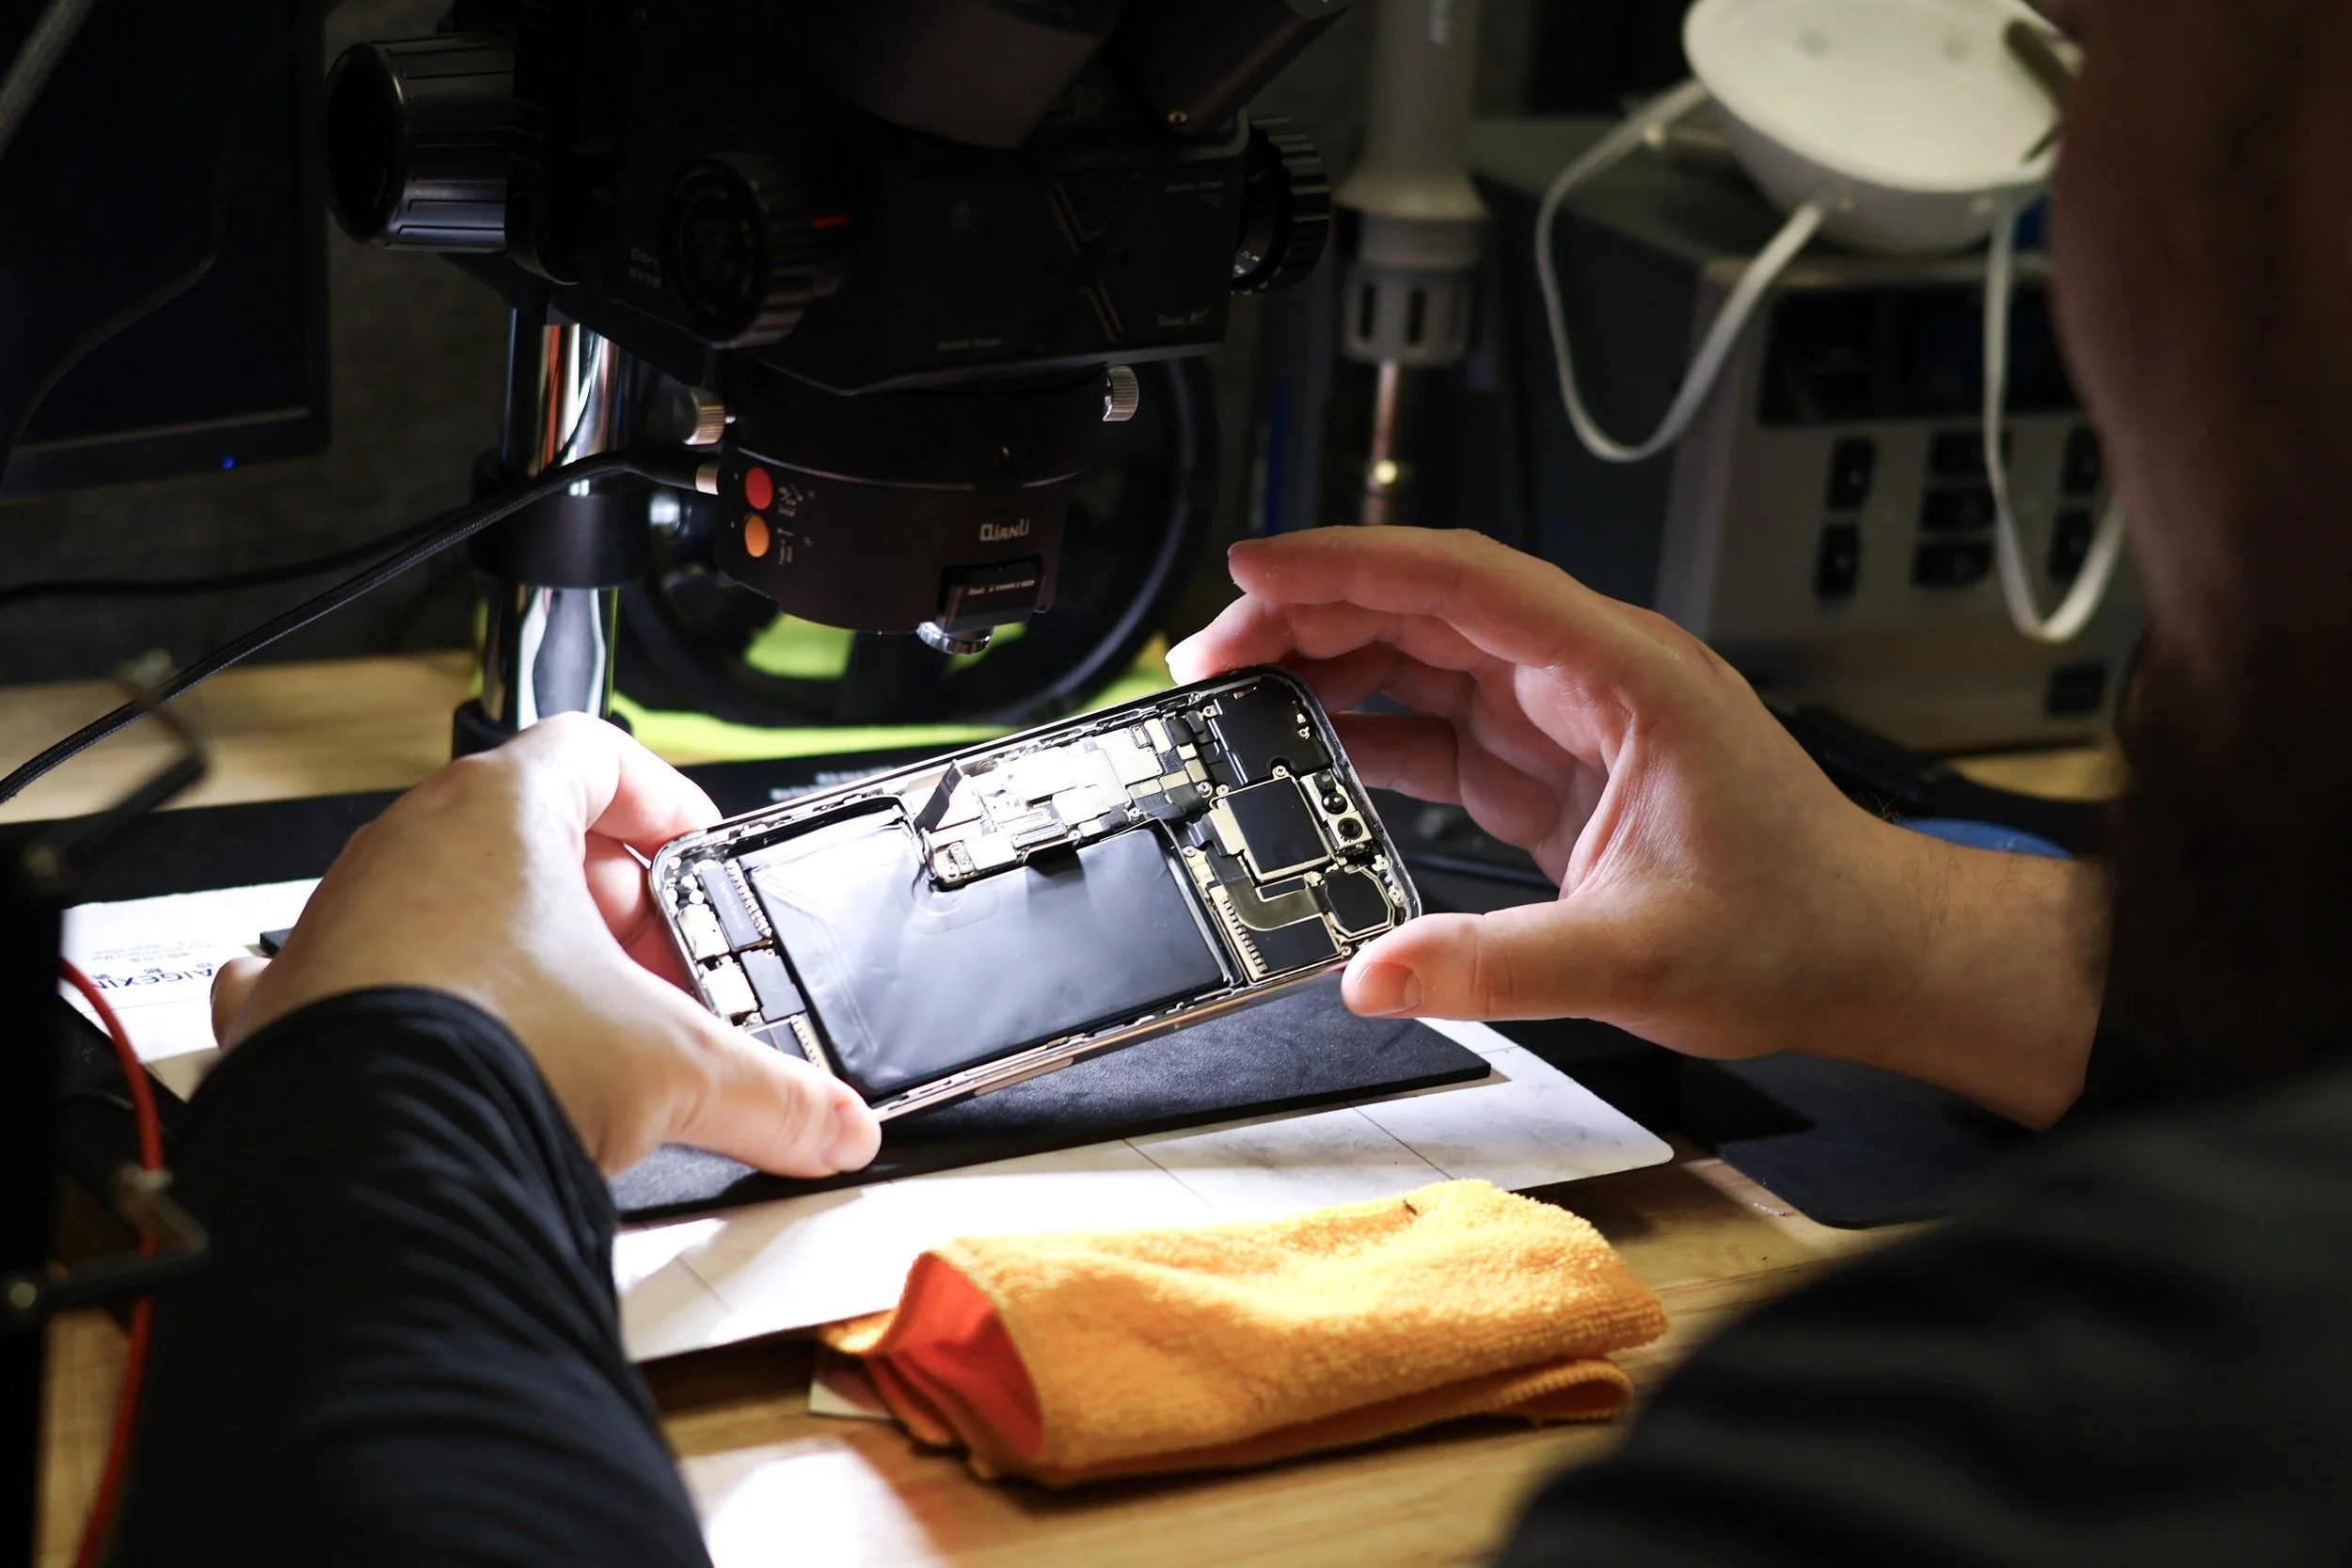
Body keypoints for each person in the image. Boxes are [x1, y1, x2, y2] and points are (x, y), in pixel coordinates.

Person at [108, 0, 2352, 1560]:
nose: (2060, 231)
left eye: (2085, 54)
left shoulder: (2005, 1454)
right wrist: (1889, 926)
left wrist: (400, 1103)